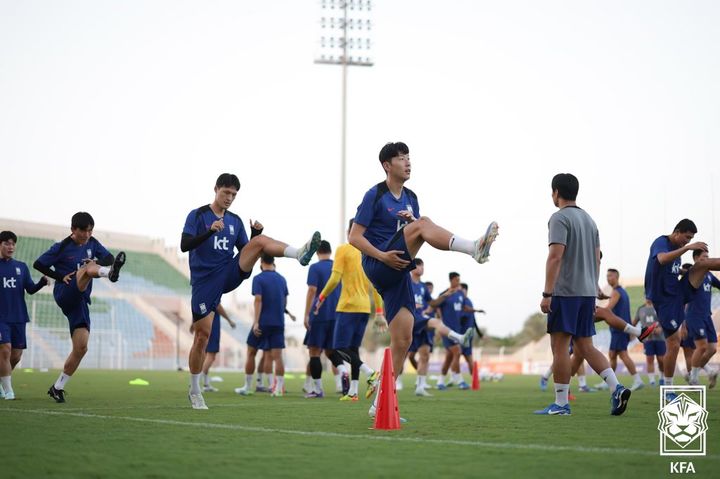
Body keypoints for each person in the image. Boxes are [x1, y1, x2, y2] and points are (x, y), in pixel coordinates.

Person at [348, 142, 498, 418]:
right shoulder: (375, 195)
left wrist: (412, 222)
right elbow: (354, 237)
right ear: (386, 166)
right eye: (401, 158)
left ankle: (378, 405)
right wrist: (383, 255)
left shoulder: (411, 197)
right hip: (378, 263)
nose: (408, 162)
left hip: (399, 272)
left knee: (402, 341)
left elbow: (416, 231)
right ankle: (473, 248)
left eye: (409, 158)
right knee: (424, 222)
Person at [181, 173, 320, 409]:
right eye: (226, 193)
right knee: (202, 337)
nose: (230, 198)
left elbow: (245, 249)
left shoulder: (234, 220)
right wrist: (210, 231)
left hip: (227, 272)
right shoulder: (198, 215)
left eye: (234, 195)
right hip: (205, 281)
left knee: (260, 242)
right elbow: (185, 245)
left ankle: (299, 253)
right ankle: (195, 389)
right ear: (215, 189)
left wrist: (255, 234)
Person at [536, 173, 631, 416]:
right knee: (586, 346)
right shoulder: (590, 221)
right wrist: (593, 287)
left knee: (559, 347)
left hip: (565, 293)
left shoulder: (559, 218)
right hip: (586, 293)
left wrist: (547, 293)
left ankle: (560, 404)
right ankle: (616, 387)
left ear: (556, 192)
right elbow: (597, 260)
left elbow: (555, 256)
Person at [34, 212, 126, 403]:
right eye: (83, 230)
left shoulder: (92, 242)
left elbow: (108, 257)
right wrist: (60, 277)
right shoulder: (62, 247)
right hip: (65, 292)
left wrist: (97, 263)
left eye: (90, 230)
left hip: (81, 300)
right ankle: (110, 275)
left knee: (81, 347)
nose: (87, 234)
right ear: (73, 230)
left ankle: (57, 387)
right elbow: (38, 264)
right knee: (86, 268)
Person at [315, 220, 386, 401]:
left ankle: (370, 373)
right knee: (353, 349)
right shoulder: (369, 253)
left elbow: (335, 278)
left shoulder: (344, 250)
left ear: (350, 232)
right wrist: (379, 312)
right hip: (364, 309)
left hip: (347, 306)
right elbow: (376, 285)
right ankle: (353, 392)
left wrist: (321, 298)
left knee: (339, 347)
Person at [644, 218, 715, 388]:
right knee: (674, 344)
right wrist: (687, 248)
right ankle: (668, 387)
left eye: (690, 239)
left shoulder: (678, 250)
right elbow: (661, 259)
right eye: (686, 237)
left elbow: (673, 270)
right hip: (664, 300)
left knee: (703, 265)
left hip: (677, 293)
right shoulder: (661, 242)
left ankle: (686, 378)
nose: (688, 241)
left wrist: (685, 270)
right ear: (676, 232)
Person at [409, 259, 472, 396]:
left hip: (420, 321)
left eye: (423, 265)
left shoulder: (422, 287)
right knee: (436, 323)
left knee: (424, 355)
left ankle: (420, 386)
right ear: (412, 267)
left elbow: (432, 302)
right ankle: (460, 338)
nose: (421, 268)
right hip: (410, 319)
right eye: (419, 265)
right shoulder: (406, 282)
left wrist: (444, 295)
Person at [0, 231, 47, 400]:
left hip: (19, 317)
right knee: (5, 350)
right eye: (6, 243)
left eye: (13, 243)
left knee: (16, 355)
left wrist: (42, 282)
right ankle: (8, 391)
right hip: (1, 318)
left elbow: (30, 289)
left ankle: (2, 381)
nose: (10, 247)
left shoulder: (21, 267)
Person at [303, 240, 341, 398]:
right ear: (330, 251)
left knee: (314, 351)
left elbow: (312, 291)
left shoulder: (315, 268)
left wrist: (306, 314)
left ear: (317, 252)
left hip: (320, 314)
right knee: (332, 351)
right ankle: (342, 381)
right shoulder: (338, 267)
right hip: (338, 314)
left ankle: (317, 389)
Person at [250, 255, 290, 397]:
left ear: (261, 263)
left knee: (258, 353)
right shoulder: (282, 279)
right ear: (274, 262)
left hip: (263, 322)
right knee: (277, 357)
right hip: (278, 322)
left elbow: (258, 300)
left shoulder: (258, 279)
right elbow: (285, 301)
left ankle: (256, 384)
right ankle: (278, 388)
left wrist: (256, 321)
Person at [684, 249, 720, 387]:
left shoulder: (709, 275)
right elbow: (684, 274)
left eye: (708, 257)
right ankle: (693, 378)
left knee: (712, 349)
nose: (708, 259)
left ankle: (698, 372)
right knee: (702, 346)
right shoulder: (693, 272)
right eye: (704, 257)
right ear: (696, 259)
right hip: (694, 315)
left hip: (707, 315)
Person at [605, 269, 644, 391]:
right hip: (620, 329)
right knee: (613, 354)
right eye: (607, 276)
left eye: (610, 276)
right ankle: (610, 381)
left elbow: (608, 309)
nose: (608, 278)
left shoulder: (616, 292)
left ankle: (638, 380)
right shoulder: (622, 291)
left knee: (622, 354)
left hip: (619, 329)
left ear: (616, 277)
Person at [433, 273, 470, 390]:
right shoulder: (444, 295)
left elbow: (464, 308)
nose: (458, 282)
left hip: (457, 329)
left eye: (459, 280)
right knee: (457, 352)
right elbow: (436, 307)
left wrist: (476, 310)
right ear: (451, 280)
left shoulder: (460, 294)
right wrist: (439, 325)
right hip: (447, 330)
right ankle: (459, 380)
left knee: (449, 357)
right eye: (457, 280)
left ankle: (440, 382)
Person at [199, 303, 236, 392]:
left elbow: (198, 307)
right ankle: (195, 382)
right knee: (211, 356)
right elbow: (218, 306)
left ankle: (206, 384)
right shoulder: (213, 290)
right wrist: (229, 320)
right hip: (212, 326)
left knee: (206, 356)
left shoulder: (201, 292)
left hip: (203, 324)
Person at [633, 302, 664, 386]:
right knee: (649, 359)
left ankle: (662, 378)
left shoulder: (659, 306)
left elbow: (664, 319)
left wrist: (661, 328)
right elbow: (634, 322)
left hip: (660, 338)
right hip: (647, 339)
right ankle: (652, 381)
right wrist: (632, 331)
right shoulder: (641, 308)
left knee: (661, 359)